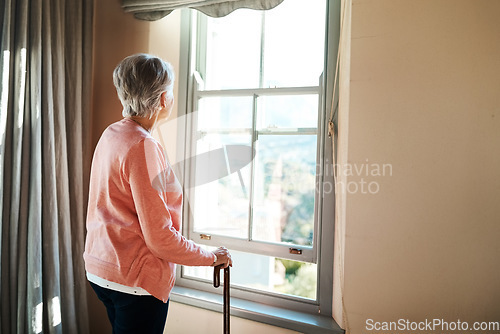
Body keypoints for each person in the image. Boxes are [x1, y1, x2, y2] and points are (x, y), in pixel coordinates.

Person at [83, 53, 232, 333]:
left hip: (101, 269)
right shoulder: (143, 146)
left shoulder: (112, 133)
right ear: (163, 99)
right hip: (134, 283)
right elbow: (160, 238)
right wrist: (211, 256)